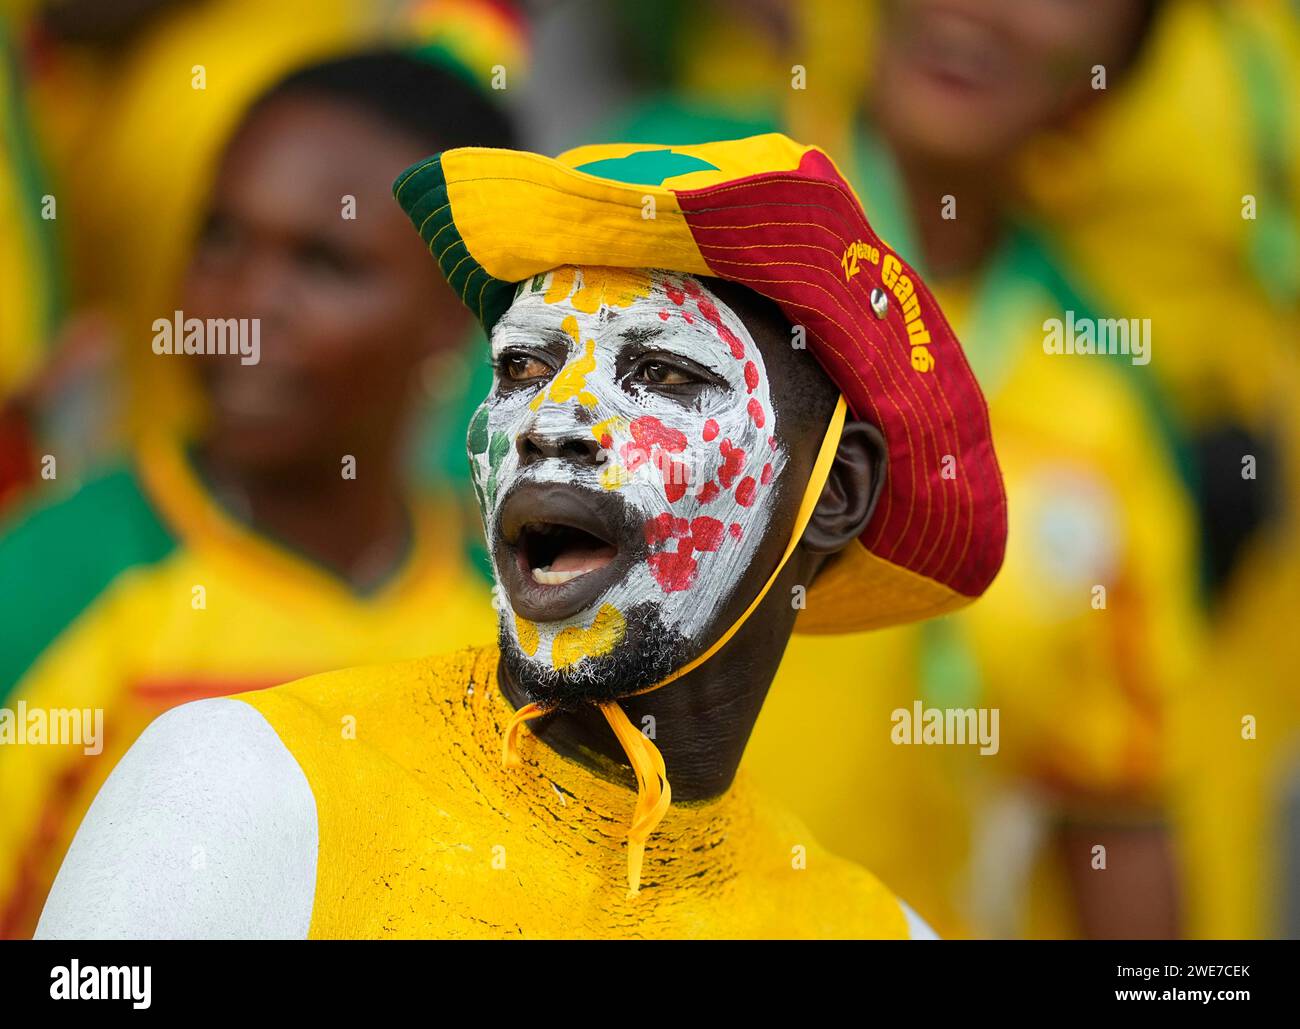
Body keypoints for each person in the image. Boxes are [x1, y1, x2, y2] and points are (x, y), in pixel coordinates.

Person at [36, 134, 1007, 939]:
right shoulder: (240, 793)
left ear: (832, 491)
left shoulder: (873, 931)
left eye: (663, 375)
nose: (550, 420)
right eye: (527, 365)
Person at [0, 50, 513, 938]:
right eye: (220, 239)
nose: (240, 304)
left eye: (325, 264)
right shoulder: (54, 581)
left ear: (454, 318)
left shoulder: (508, 626)